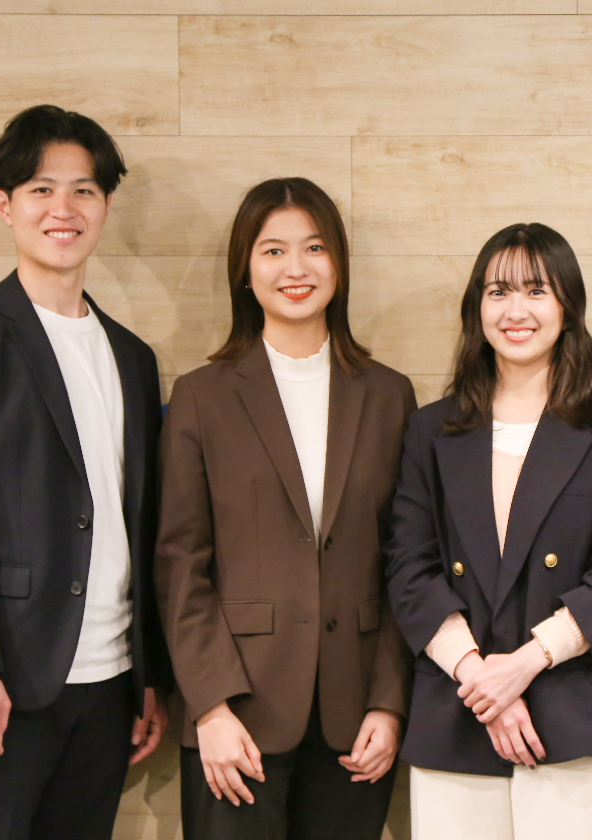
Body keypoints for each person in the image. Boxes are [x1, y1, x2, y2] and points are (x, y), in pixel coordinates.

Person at [0, 104, 170, 840]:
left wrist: (147, 673)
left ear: (106, 204)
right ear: (5, 204)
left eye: (84, 190)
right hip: (2, 684)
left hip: (109, 686)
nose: (65, 209)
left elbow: (139, 522)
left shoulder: (132, 357)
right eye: (41, 189)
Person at [155, 177, 415, 840]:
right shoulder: (202, 396)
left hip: (357, 719)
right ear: (245, 270)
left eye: (314, 248)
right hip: (236, 717)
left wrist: (389, 703)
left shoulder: (388, 395)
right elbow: (181, 563)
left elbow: (407, 562)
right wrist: (209, 707)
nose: (296, 268)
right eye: (273, 251)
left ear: (339, 265)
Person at [384, 222, 592, 840]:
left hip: (578, 709)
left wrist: (525, 665)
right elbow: (409, 566)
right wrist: (481, 678)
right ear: (476, 307)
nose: (516, 310)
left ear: (567, 306)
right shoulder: (432, 430)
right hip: (459, 710)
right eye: (498, 291)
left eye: (537, 290)